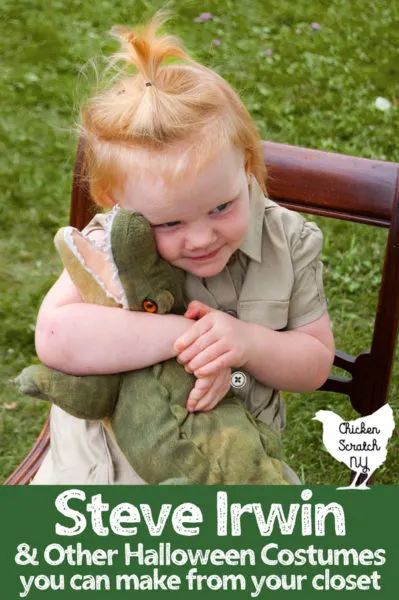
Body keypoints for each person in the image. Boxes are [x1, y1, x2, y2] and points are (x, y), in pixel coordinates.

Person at [31, 10, 334, 485]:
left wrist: (246, 343)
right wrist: (185, 341)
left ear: (248, 168)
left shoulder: (288, 241)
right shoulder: (112, 244)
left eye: (221, 207)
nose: (200, 237)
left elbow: (315, 362)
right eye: (169, 221)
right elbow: (55, 337)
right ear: (118, 204)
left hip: (235, 460)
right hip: (105, 466)